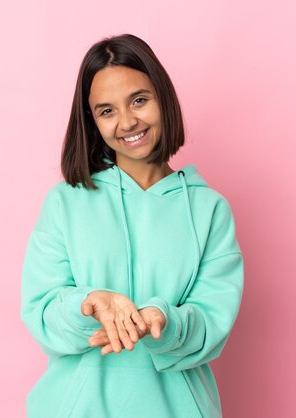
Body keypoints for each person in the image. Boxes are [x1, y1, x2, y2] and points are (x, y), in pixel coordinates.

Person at [21, 33, 244, 418]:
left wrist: (164, 320)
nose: (127, 122)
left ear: (163, 97)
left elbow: (211, 321)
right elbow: (42, 314)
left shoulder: (210, 210)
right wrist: (87, 305)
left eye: (139, 100)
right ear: (92, 122)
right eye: (106, 111)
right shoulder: (65, 202)